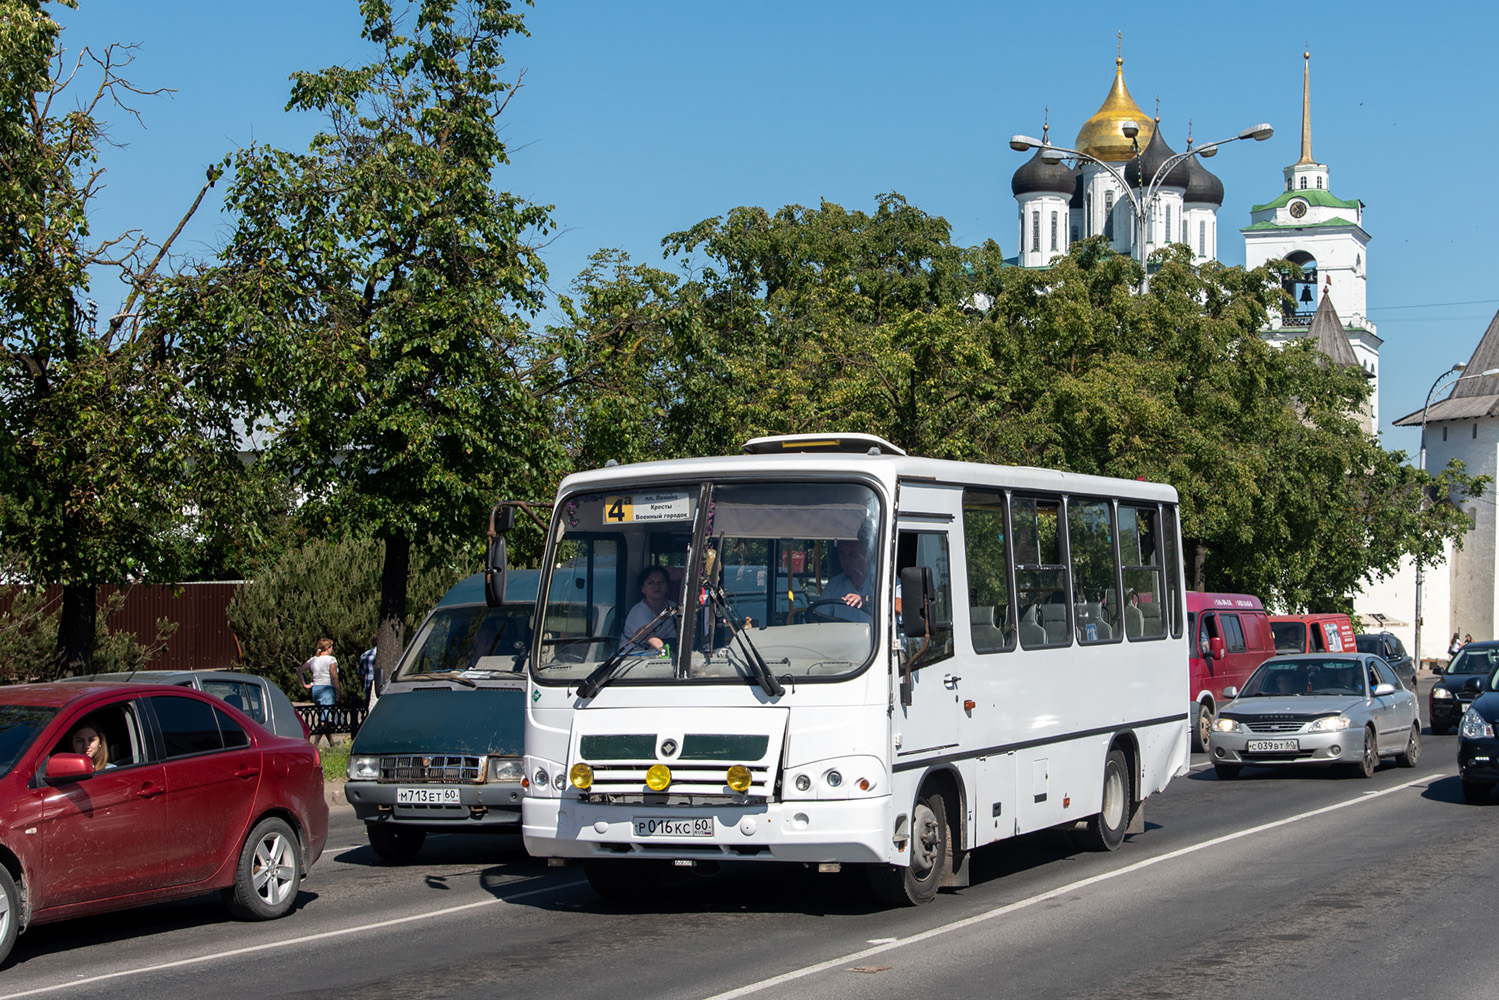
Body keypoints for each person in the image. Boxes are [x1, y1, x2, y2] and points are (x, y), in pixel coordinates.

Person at [620, 566, 678, 655]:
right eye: (651, 583)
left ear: (667, 586)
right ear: (643, 589)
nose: (657, 586)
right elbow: (654, 642)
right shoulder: (638, 612)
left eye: (661, 582)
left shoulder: (673, 607)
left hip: (661, 660)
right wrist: (669, 654)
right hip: (634, 662)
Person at [823, 532, 875, 621]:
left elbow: (899, 606)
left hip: (877, 635)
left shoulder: (885, 578)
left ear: (867, 555)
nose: (846, 560)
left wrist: (866, 600)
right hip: (843, 635)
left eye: (853, 555)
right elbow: (820, 616)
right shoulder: (834, 585)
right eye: (842, 554)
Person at [298, 638, 341, 719]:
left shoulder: (313, 660)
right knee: (327, 716)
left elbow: (299, 671)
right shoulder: (331, 659)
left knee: (321, 713)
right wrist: (339, 692)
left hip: (316, 689)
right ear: (328, 648)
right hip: (328, 689)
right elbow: (334, 677)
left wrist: (304, 684)